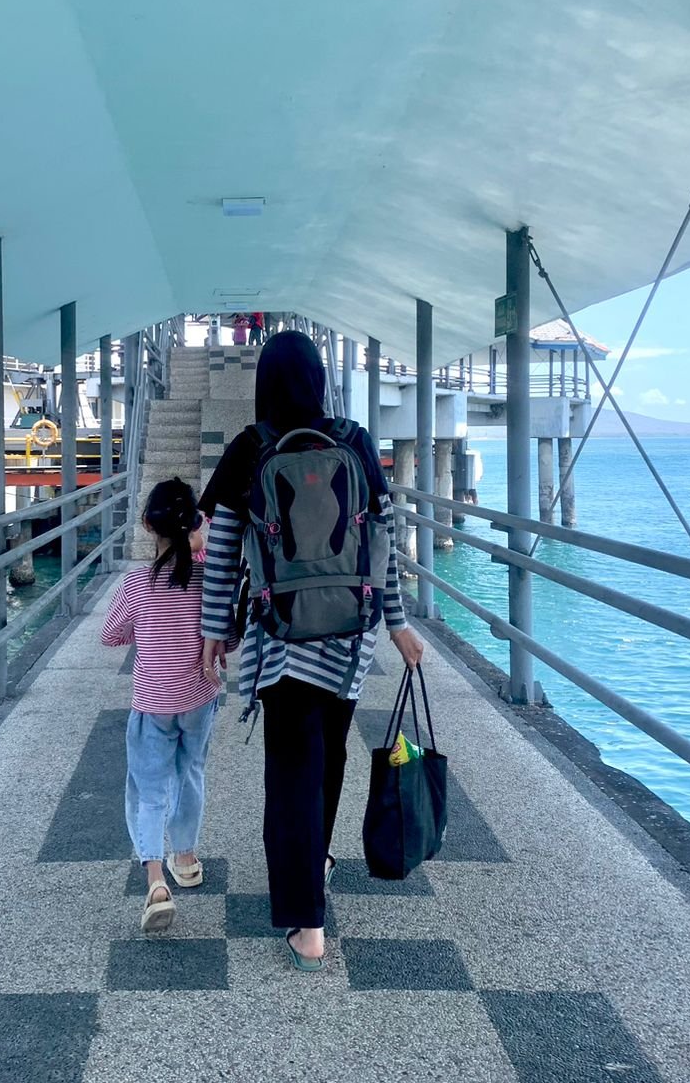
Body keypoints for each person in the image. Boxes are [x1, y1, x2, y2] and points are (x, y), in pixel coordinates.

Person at [198, 330, 422, 971]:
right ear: (320, 379)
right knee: (328, 760)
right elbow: (382, 540)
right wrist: (397, 623)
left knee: (292, 772)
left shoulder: (252, 445)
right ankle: (316, 861)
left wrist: (217, 631)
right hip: (350, 638)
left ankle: (307, 922)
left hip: (282, 638)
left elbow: (222, 550)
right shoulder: (355, 439)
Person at [101, 477, 219, 933]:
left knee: (148, 789)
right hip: (199, 697)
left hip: (153, 702)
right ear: (195, 524)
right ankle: (185, 858)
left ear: (148, 525)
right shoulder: (207, 580)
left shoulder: (137, 584)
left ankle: (155, 881)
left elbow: (111, 634)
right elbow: (226, 637)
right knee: (190, 772)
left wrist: (142, 631)